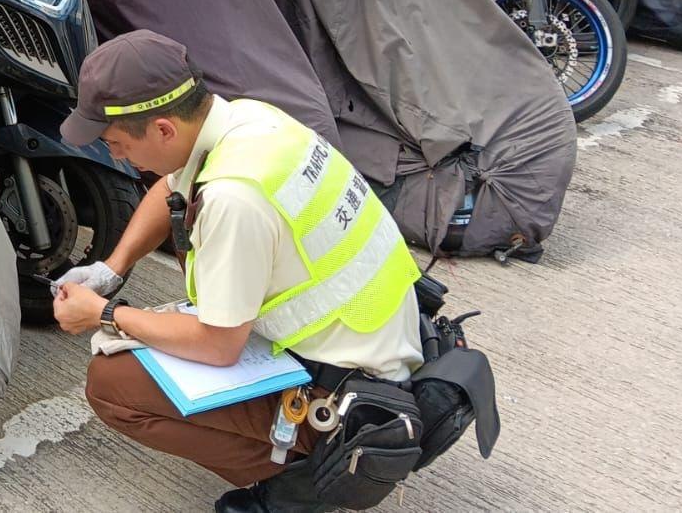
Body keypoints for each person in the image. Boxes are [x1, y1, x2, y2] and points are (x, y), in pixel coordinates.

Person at [51, 30, 424, 513]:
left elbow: (218, 346)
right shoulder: (247, 120)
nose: (116, 156)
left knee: (114, 386)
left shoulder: (233, 198)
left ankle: (303, 482)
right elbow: (171, 187)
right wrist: (111, 267)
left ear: (163, 129)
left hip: (346, 391)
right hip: (377, 329)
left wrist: (104, 313)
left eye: (118, 144)